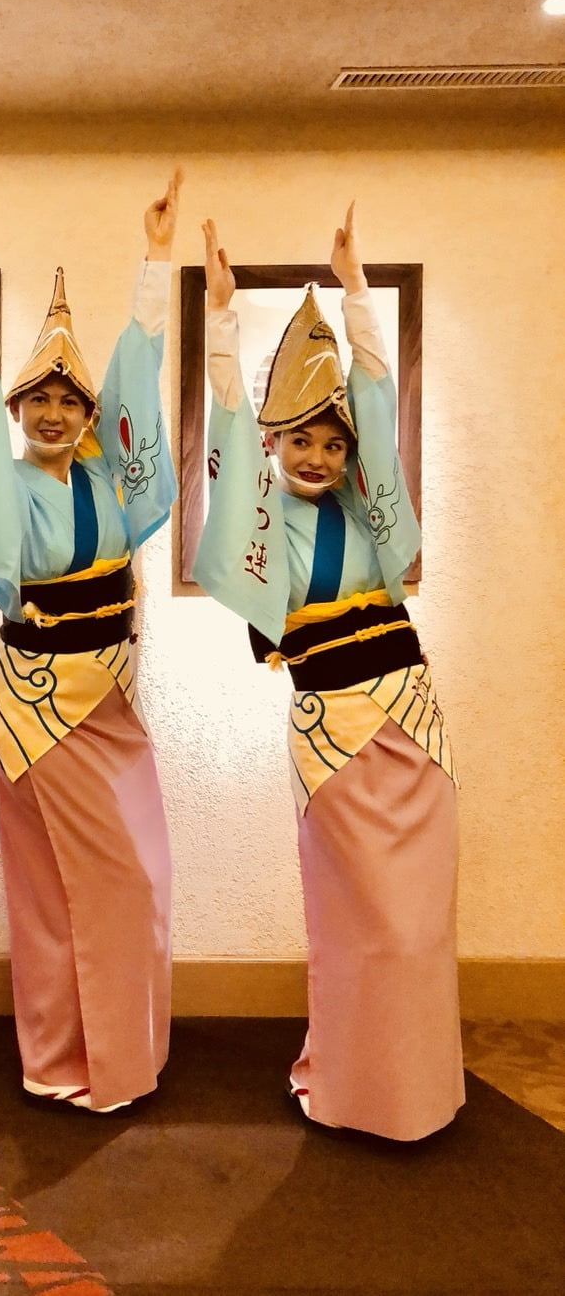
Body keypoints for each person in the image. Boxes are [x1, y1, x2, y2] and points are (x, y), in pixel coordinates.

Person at [194, 207, 462, 1141]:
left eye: (333, 442)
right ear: (273, 443)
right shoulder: (261, 518)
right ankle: (351, 1084)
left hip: (415, 728)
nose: (317, 456)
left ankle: (419, 1090)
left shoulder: (370, 516)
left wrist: (355, 289)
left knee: (421, 925)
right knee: (360, 923)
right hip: (334, 739)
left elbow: (378, 395)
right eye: (298, 439)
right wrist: (219, 316)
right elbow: (227, 420)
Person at [0, 176, 180, 1113]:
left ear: (89, 414)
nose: (52, 412)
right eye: (35, 398)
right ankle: (60, 1060)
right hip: (36, 704)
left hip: (110, 703)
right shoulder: (3, 483)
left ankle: (117, 1052)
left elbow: (139, 377)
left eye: (68, 399)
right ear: (16, 409)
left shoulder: (112, 483)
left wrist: (156, 260)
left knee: (133, 876)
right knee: (54, 888)